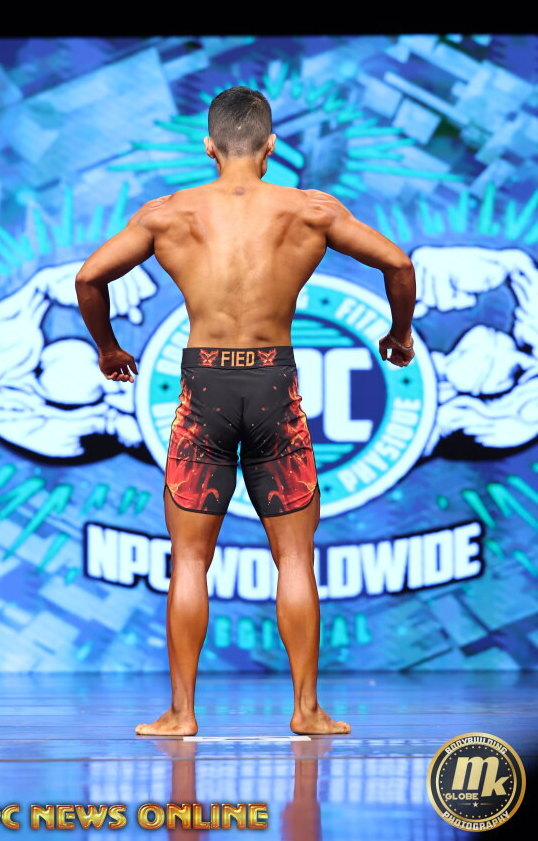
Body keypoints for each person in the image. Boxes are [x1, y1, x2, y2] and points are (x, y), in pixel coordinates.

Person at [75, 86, 416, 736]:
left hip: (203, 386)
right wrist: (399, 336)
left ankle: (181, 713)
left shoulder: (168, 215)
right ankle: (307, 710)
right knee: (295, 559)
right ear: (271, 146)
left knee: (190, 560)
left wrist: (109, 349)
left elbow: (89, 278)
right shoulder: (310, 211)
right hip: (272, 386)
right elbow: (398, 263)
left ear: (209, 147)